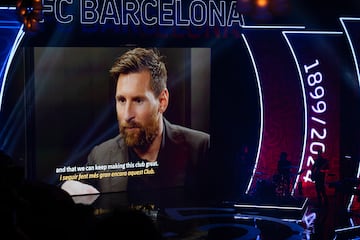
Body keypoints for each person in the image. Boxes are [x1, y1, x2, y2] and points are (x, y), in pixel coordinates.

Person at [61, 48, 210, 201]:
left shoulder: (202, 147)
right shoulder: (100, 156)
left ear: (162, 101)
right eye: (122, 100)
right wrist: (65, 193)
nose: (127, 115)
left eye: (138, 100)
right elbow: (74, 196)